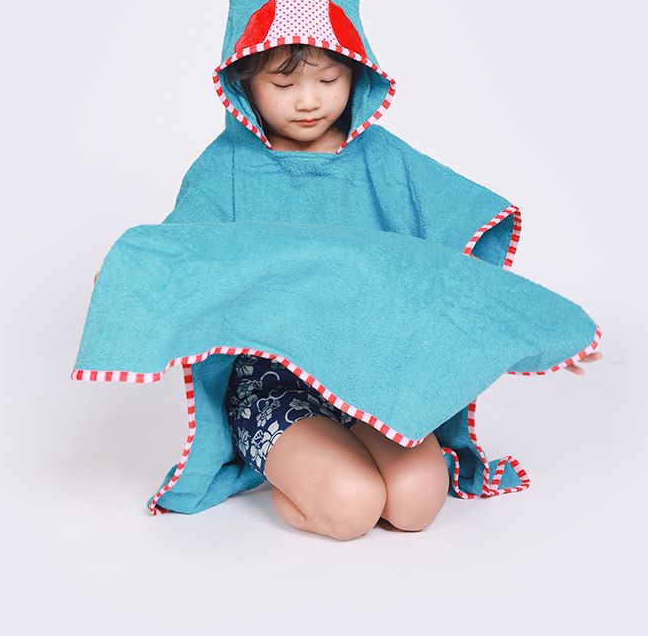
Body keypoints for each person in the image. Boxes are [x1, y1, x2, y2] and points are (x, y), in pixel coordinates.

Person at [219, 42, 601, 540]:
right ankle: (291, 471)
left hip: (372, 374)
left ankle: (334, 457)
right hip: (274, 382)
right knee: (352, 508)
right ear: (244, 83)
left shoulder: (382, 158)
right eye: (284, 84)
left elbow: (451, 262)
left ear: (357, 75)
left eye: (329, 80)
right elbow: (181, 260)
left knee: (416, 504)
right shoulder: (229, 168)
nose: (309, 101)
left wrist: (535, 328)